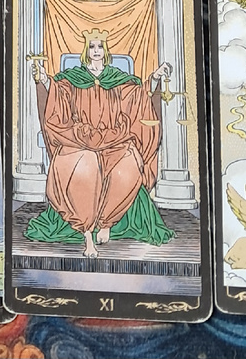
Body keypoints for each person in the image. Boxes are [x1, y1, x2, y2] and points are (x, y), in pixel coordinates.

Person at [26, 29, 173, 258]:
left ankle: (107, 222)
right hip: (79, 139)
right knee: (86, 165)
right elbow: (57, 96)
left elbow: (138, 96)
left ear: (106, 50)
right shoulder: (73, 78)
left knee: (129, 161)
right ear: (86, 50)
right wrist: (44, 78)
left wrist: (155, 77)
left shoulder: (117, 79)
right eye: (92, 46)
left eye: (100, 46)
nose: (96, 51)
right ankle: (87, 235)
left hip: (113, 138)